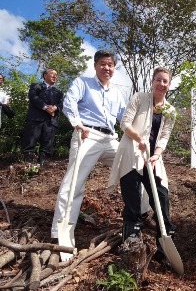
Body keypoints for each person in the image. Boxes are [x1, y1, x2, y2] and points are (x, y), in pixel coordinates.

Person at [51, 50, 126, 240]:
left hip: (110, 139)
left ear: (114, 68)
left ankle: (138, 219)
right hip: (86, 134)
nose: (106, 68)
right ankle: (60, 232)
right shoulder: (82, 83)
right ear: (95, 65)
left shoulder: (118, 93)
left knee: (134, 167)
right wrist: (77, 123)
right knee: (74, 182)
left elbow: (125, 118)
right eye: (103, 63)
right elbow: (69, 102)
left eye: (110, 65)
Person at [108, 67, 176, 265]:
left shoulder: (170, 110)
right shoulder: (139, 98)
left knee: (161, 196)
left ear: (169, 85)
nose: (162, 84)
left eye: (165, 81)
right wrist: (139, 138)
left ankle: (164, 244)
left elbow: (164, 136)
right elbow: (125, 122)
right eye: (158, 80)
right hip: (132, 152)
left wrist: (156, 154)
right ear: (152, 81)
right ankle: (131, 241)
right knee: (132, 198)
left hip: (152, 158)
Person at [21, 68, 64, 165]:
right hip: (36, 118)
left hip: (51, 120)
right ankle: (28, 163)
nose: (55, 76)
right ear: (45, 75)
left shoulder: (58, 92)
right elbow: (33, 97)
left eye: (56, 75)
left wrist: (55, 108)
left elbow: (62, 103)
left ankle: (43, 163)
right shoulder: (36, 86)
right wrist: (45, 107)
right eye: (52, 73)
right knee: (31, 140)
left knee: (47, 143)